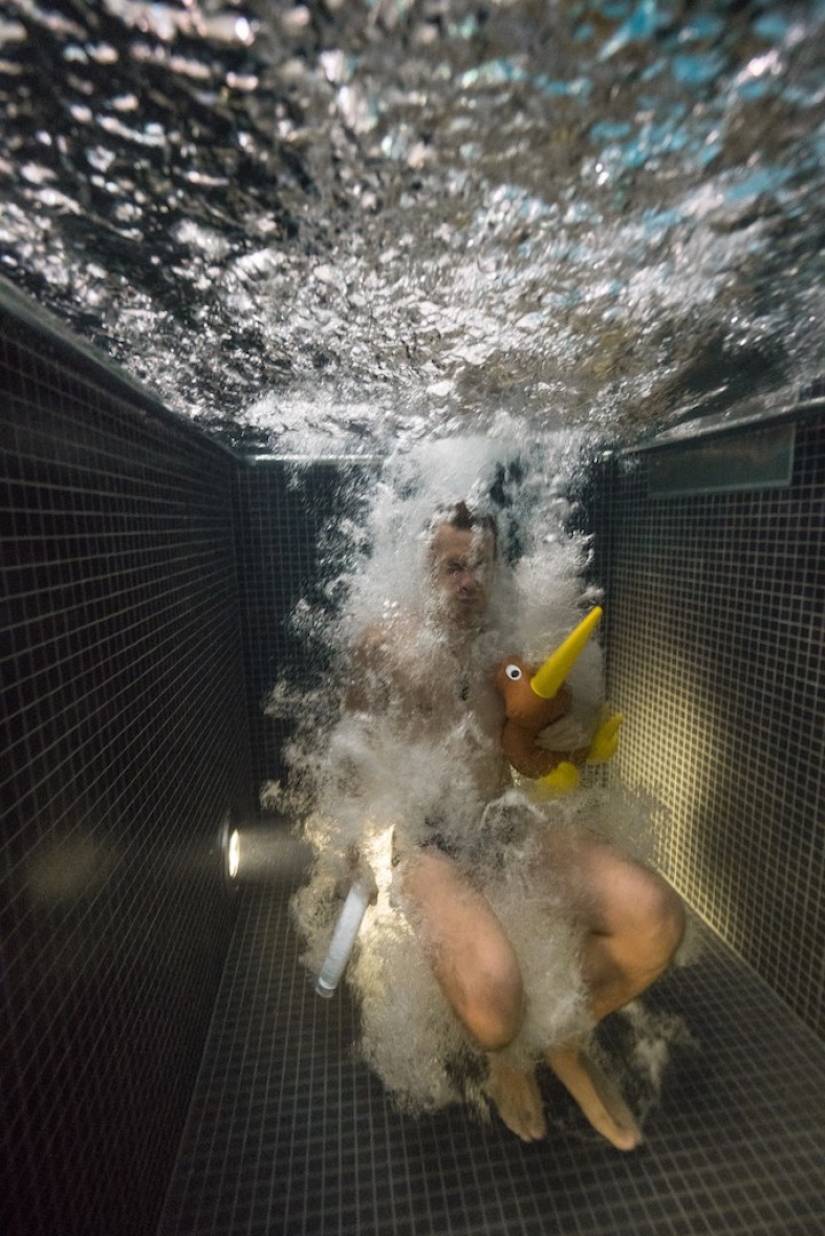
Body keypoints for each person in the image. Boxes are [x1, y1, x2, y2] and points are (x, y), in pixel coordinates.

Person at [342, 501, 685, 1151]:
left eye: (480, 567)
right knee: (494, 1010)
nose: (468, 580)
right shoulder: (381, 646)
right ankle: (509, 1051)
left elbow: (534, 723)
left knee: (655, 920)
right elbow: (351, 753)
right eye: (451, 567)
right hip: (429, 846)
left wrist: (570, 735)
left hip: (503, 825)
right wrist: (354, 849)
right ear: (423, 568)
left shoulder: (504, 650)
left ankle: (560, 1037)